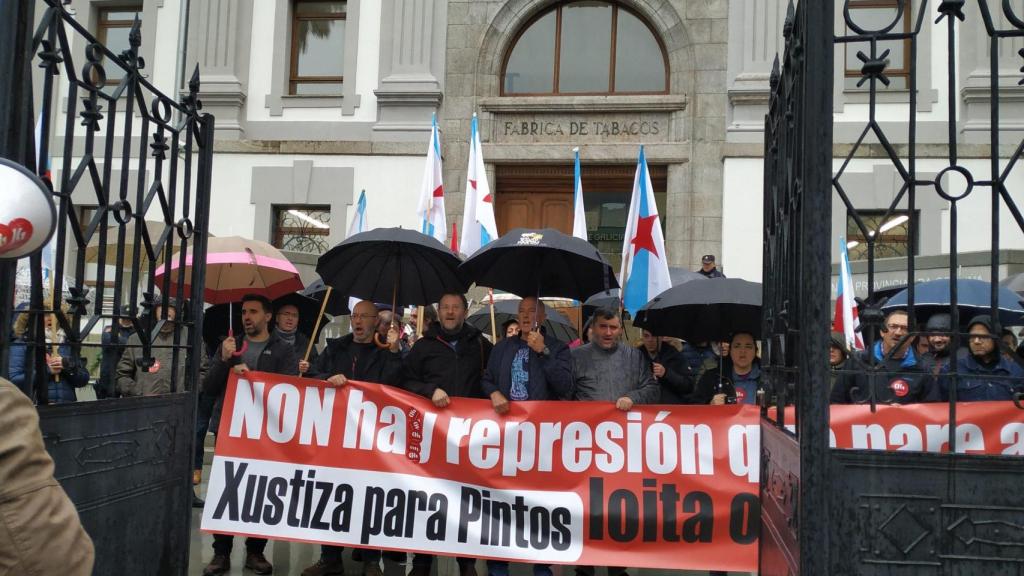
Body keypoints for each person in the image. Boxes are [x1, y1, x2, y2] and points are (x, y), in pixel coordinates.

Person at [302, 300, 404, 576]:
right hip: (337, 434)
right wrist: (325, 377)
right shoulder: (336, 347)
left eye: (364, 317)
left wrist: (395, 352)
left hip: (372, 438)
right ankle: (330, 556)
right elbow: (313, 375)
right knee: (333, 494)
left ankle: (371, 559)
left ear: (376, 321)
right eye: (354, 316)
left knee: (369, 497)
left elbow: (395, 386)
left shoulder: (386, 351)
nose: (358, 321)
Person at [200, 294, 298, 576]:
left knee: (261, 492)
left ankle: (255, 551)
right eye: (244, 311)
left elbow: (288, 388)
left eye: (254, 311)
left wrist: (253, 376)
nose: (247, 316)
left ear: (269, 316)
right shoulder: (230, 344)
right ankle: (221, 553)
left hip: (264, 433)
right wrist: (223, 360)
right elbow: (209, 387)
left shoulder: (282, 349)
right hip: (229, 429)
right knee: (226, 490)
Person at [478, 297, 571, 576]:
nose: (526, 315)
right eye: (522, 311)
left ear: (543, 317)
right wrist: (493, 392)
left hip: (541, 443)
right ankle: (498, 567)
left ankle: (541, 567)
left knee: (538, 508)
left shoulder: (558, 348)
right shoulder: (502, 348)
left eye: (532, 311)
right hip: (505, 440)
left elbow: (566, 387)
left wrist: (543, 353)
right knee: (501, 506)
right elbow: (486, 377)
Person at [402, 292, 492, 576]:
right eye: (445, 308)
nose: (450, 313)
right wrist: (430, 391)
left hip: (470, 437)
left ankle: (466, 561)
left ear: (465, 311)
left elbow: (491, 380)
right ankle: (422, 561)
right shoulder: (423, 346)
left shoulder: (480, 344)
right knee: (428, 499)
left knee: (467, 500)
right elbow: (405, 381)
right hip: (432, 436)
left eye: (455, 308)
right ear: (438, 312)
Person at [571, 307, 658, 576]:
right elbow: (561, 393)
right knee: (586, 510)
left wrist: (633, 398)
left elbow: (652, 389)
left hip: (623, 451)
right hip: (584, 449)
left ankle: (616, 567)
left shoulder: (635, 357)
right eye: (603, 327)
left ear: (621, 329)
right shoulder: (575, 357)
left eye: (613, 327)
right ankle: (584, 567)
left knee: (618, 510)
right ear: (593, 329)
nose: (608, 333)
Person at [0, 377, 94, 575]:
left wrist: (68, 365)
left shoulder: (68, 346)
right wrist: (43, 374)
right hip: (39, 406)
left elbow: (82, 377)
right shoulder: (6, 400)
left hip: (68, 410)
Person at [831, 309, 935, 404]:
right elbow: (837, 402)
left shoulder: (922, 368)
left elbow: (931, 410)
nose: (898, 332)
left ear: (912, 337)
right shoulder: (858, 361)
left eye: (905, 328)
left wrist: (905, 413)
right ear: (882, 331)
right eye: (893, 326)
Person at [9, 299, 90, 404]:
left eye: (54, 314)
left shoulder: (67, 343)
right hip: (34, 407)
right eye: (45, 314)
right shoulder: (23, 343)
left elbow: (82, 380)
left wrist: (68, 366)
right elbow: (14, 380)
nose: (51, 318)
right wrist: (47, 370)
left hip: (66, 408)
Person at [116, 300, 198, 397]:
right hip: (144, 407)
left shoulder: (191, 337)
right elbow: (122, 375)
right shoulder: (137, 338)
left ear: (178, 311)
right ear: (155, 310)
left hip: (178, 405)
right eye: (161, 306)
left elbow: (202, 371)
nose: (165, 310)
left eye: (171, 306)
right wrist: (139, 392)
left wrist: (186, 393)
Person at [938, 315, 1024, 401]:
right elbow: (942, 409)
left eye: (983, 336)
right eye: (972, 337)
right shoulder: (951, 370)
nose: (976, 341)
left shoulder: (1017, 371)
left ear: (996, 338)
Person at [693, 332, 763, 405]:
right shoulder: (712, 377)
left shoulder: (768, 378)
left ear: (756, 351)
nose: (743, 351)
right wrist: (710, 404)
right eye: (737, 346)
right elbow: (693, 407)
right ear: (730, 351)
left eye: (748, 346)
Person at [638, 329, 693, 403]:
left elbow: (688, 386)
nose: (650, 340)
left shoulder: (674, 355)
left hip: (670, 407)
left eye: (654, 336)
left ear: (661, 337)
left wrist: (666, 373)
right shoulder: (637, 355)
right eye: (646, 336)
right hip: (644, 406)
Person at [98, 305, 134, 398]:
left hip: (128, 375)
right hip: (109, 376)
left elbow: (134, 347)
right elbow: (107, 341)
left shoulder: (136, 331)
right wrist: (125, 341)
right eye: (123, 317)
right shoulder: (109, 328)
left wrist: (118, 339)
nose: (126, 320)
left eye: (128, 318)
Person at [274, 301, 318, 375]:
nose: (290, 318)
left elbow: (318, 369)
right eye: (286, 314)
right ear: (277, 318)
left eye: (294, 315)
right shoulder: (266, 338)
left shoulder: (307, 344)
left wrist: (309, 367)